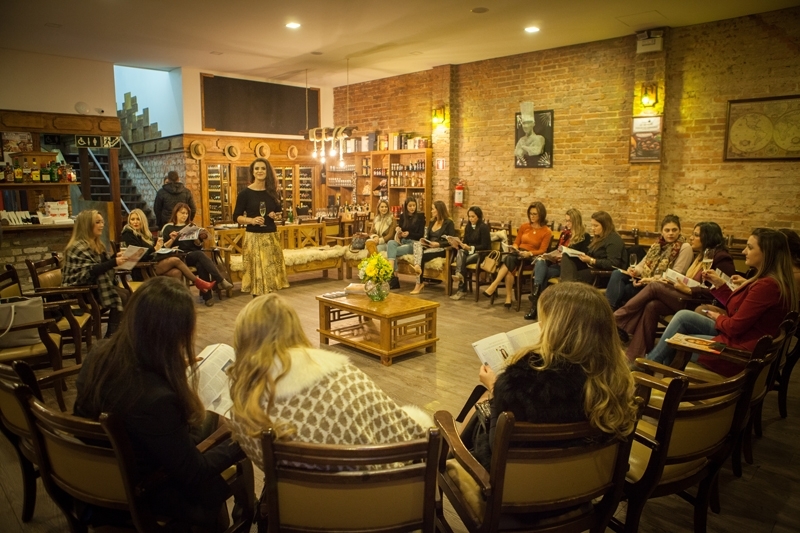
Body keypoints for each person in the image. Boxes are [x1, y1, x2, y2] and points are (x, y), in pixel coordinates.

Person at [74, 277, 247, 531]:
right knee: (232, 433)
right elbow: (194, 472)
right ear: (174, 332)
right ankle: (240, 512)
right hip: (146, 486)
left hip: (102, 470)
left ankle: (247, 503)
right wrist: (244, 439)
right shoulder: (156, 399)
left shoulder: (99, 354)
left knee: (213, 419)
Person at [227, 294, 432, 469]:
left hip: (299, 509)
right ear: (295, 329)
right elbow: (404, 431)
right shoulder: (343, 379)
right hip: (373, 502)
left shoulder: (244, 409)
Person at [459, 282, 637, 469]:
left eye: (543, 321)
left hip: (521, 482)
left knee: (482, 403)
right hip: (585, 480)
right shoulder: (618, 378)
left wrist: (496, 389)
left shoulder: (524, 383)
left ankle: (445, 459)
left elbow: (496, 446)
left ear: (556, 329)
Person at [646, 228, 798, 376]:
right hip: (740, 340)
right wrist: (720, 286)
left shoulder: (767, 286)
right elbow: (737, 309)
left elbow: (734, 327)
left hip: (736, 353)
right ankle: (654, 370)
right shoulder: (768, 280)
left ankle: (654, 376)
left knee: (673, 342)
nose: (744, 251)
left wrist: (718, 318)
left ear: (767, 253)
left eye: (750, 247)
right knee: (683, 317)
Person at [615, 222, 735, 361]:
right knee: (652, 306)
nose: (691, 238)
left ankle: (617, 317)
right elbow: (690, 279)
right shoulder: (701, 255)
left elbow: (725, 291)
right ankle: (637, 356)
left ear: (708, 237)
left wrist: (691, 289)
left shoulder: (721, 258)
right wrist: (673, 282)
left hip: (700, 303)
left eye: (696, 235)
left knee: (654, 286)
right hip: (687, 296)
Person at [605, 214, 693, 310]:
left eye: (674, 230)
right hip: (646, 282)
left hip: (662, 287)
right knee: (617, 273)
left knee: (624, 290)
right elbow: (642, 265)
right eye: (667, 230)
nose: (670, 233)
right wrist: (635, 271)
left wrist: (648, 280)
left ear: (679, 231)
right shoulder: (656, 246)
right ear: (662, 232)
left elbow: (675, 276)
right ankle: (609, 310)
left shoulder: (685, 247)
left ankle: (609, 313)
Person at [61, 210, 126, 337]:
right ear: (86, 225)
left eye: (102, 222)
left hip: (93, 286)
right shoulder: (77, 247)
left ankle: (118, 334)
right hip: (78, 290)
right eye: (97, 222)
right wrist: (113, 262)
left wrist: (114, 258)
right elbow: (87, 273)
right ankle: (111, 337)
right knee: (120, 296)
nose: (101, 225)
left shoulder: (96, 244)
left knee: (126, 294)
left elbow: (99, 265)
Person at [120, 208, 215, 292]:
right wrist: (154, 248)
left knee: (176, 272)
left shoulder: (145, 235)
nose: (135, 222)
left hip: (152, 264)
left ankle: (176, 302)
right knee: (175, 260)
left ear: (143, 221)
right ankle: (198, 282)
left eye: (138, 219)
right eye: (132, 219)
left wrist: (168, 243)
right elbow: (137, 255)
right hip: (142, 269)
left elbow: (156, 251)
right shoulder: (128, 233)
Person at [232, 158, 289, 296]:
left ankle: (270, 307)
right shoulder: (244, 194)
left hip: (270, 236)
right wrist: (251, 220)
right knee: (256, 276)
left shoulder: (273, 192)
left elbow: (280, 214)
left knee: (271, 275)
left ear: (267, 171)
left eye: (263, 168)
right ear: (252, 172)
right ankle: (258, 308)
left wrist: (276, 216)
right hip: (254, 238)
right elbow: (236, 217)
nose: (260, 171)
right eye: (257, 168)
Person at [524, 208, 591, 320]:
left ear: (576, 221)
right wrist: (549, 256)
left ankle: (535, 305)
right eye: (566, 221)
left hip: (569, 268)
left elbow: (583, 255)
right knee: (541, 262)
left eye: (569, 221)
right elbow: (556, 249)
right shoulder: (565, 234)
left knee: (542, 274)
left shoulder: (584, 236)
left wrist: (565, 255)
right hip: (557, 265)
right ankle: (537, 300)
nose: (567, 224)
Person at [483, 202, 552, 308]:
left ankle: (495, 285)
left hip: (531, 257)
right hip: (519, 253)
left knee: (509, 260)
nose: (532, 216)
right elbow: (517, 241)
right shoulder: (524, 226)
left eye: (535, 214)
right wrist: (514, 247)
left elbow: (543, 250)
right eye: (530, 213)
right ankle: (508, 297)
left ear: (541, 215)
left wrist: (529, 253)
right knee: (511, 260)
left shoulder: (546, 231)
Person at [162, 202, 232, 306]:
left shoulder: (191, 226)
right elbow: (164, 248)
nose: (184, 215)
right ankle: (220, 280)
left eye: (186, 213)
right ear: (176, 213)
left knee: (201, 264)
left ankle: (207, 298)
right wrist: (172, 239)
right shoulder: (168, 227)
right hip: (180, 256)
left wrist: (198, 239)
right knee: (199, 255)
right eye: (182, 213)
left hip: (194, 254)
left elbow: (198, 246)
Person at [410, 200, 455, 295]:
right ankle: (418, 267)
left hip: (441, 249)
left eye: (433, 209)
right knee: (417, 244)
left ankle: (419, 283)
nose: (431, 211)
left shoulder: (449, 223)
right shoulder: (432, 221)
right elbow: (427, 236)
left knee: (422, 255)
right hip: (429, 246)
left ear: (439, 210)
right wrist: (425, 242)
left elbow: (451, 240)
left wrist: (438, 244)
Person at [450, 206, 491, 300]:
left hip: (481, 253)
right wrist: (458, 244)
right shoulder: (468, 227)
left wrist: (471, 248)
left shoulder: (483, 227)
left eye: (473, 216)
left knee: (462, 261)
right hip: (469, 251)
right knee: (460, 251)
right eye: (469, 216)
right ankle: (460, 279)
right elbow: (465, 241)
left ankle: (461, 288)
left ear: (478, 217)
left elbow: (485, 245)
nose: (471, 219)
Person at [386, 197, 426, 289]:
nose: (412, 208)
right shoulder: (402, 216)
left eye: (414, 205)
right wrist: (399, 232)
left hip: (413, 244)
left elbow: (420, 235)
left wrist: (409, 233)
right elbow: (400, 232)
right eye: (410, 206)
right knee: (390, 243)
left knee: (393, 251)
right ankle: (393, 275)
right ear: (406, 206)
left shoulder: (420, 217)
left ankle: (392, 276)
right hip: (403, 242)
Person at [577, 211, 625, 278]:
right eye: (592, 225)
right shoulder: (598, 237)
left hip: (603, 273)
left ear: (605, 226)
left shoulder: (613, 239)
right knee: (568, 259)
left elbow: (613, 264)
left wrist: (591, 260)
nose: (593, 228)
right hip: (593, 268)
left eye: (596, 226)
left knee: (573, 277)